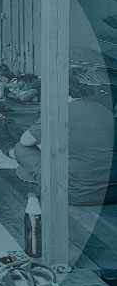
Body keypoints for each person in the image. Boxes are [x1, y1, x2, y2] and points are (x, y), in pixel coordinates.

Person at [13, 73, 117, 206]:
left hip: (75, 193)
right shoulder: (105, 111)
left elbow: (25, 141)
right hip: (112, 193)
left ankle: (32, 170)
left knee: (20, 148)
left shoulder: (61, 111)